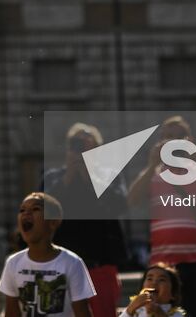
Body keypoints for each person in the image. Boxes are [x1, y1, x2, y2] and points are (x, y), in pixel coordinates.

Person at [127, 116, 196, 316]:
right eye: (169, 137)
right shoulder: (153, 173)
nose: (174, 142)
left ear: (190, 140)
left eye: (180, 136)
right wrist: (152, 164)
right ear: (160, 141)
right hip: (164, 263)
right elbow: (132, 200)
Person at [41, 124, 129, 317]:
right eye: (76, 145)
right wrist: (69, 176)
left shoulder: (109, 175)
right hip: (61, 267)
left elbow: (120, 205)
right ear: (68, 149)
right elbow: (45, 209)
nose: (82, 151)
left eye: (88, 145)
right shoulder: (54, 177)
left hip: (100, 265)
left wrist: (90, 178)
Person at [0, 193, 94, 317]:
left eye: (35, 209)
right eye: (22, 210)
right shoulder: (13, 263)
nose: (26, 213)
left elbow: (83, 312)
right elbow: (11, 312)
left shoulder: (72, 263)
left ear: (53, 222)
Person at [121, 263, 187, 317]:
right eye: (149, 279)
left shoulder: (176, 314)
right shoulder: (135, 311)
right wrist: (130, 309)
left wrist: (160, 313)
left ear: (173, 294)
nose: (154, 283)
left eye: (161, 280)